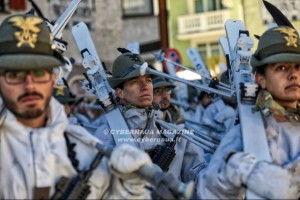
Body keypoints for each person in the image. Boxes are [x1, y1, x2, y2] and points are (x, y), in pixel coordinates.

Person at [0, 13, 154, 199]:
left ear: (54, 77)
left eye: (40, 72)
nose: (29, 85)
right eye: (15, 74)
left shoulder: (86, 148)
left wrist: (132, 189)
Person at [196, 25, 300, 199]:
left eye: (298, 67)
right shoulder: (246, 133)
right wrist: (237, 171)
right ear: (261, 79)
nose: (293, 75)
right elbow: (207, 192)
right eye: (281, 68)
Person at [94, 51, 207, 183]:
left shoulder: (176, 132)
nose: (145, 87)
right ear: (120, 93)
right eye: (135, 82)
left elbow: (199, 177)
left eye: (148, 80)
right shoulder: (107, 135)